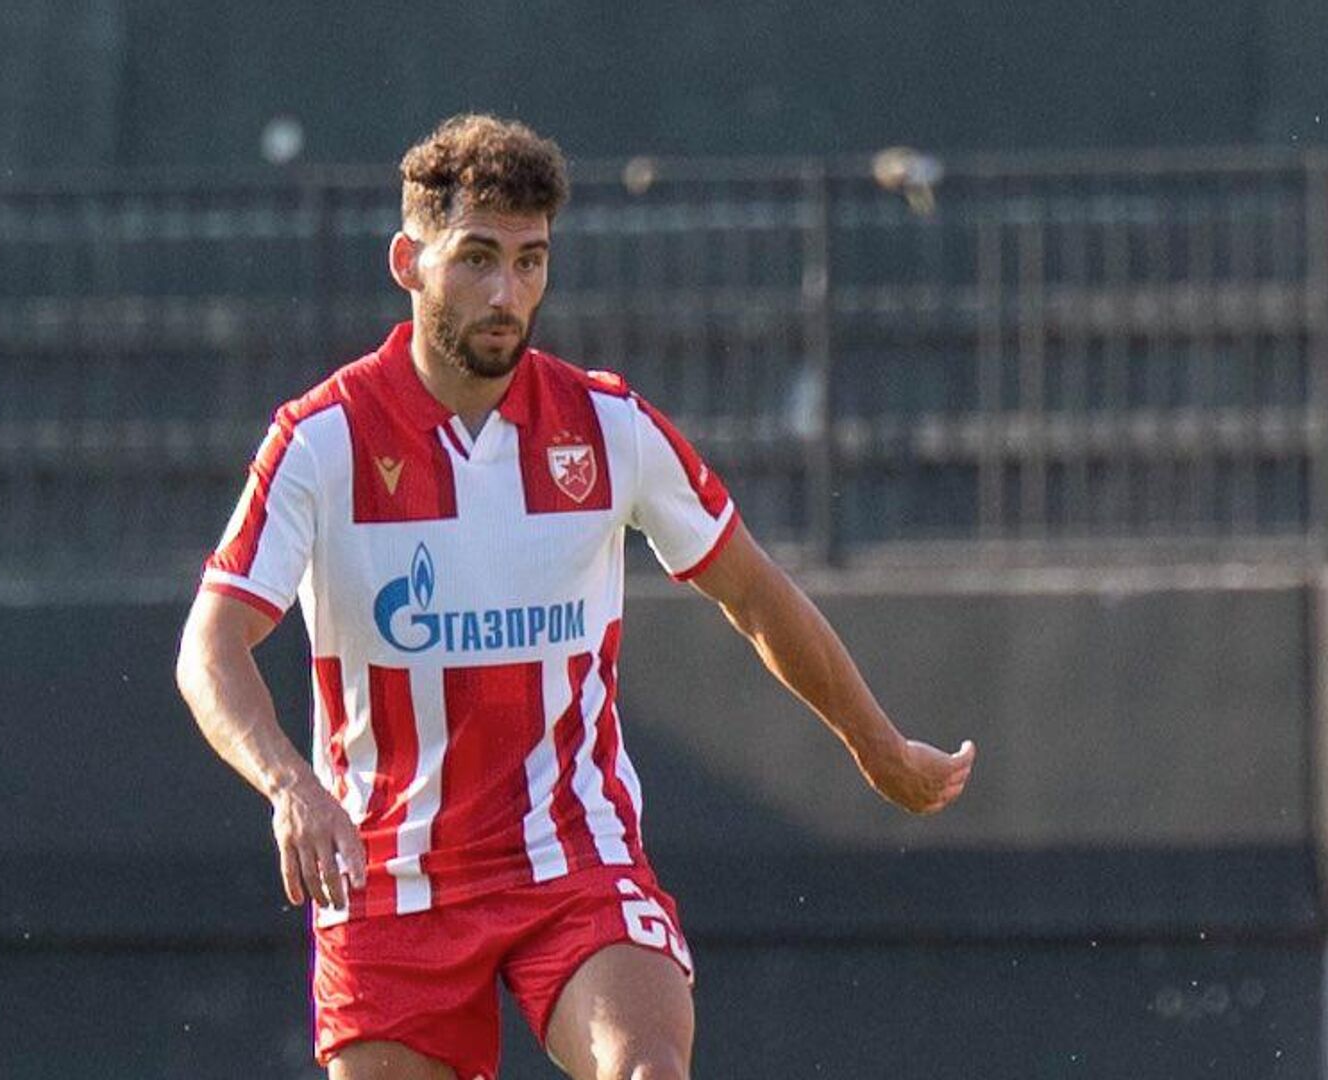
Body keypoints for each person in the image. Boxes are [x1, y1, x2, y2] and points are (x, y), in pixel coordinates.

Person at [175, 114, 976, 1080]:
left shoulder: (607, 427)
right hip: (387, 879)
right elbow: (209, 648)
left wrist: (878, 746)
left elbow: (755, 594)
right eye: (477, 258)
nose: (506, 294)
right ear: (408, 261)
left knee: (646, 1070)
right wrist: (290, 787)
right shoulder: (321, 442)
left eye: (530, 261)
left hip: (572, 861)